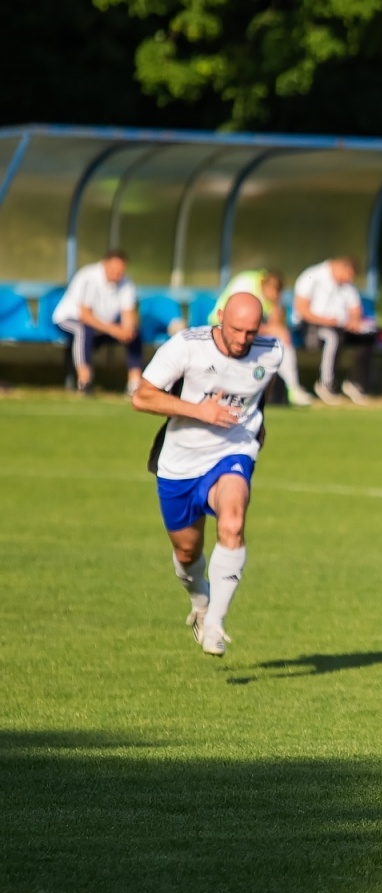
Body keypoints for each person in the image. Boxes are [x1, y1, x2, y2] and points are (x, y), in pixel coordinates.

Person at [130, 293, 284, 656]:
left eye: (251, 331)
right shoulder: (187, 346)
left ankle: (215, 622)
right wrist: (200, 411)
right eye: (236, 329)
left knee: (233, 523)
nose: (243, 339)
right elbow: (142, 397)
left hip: (233, 452)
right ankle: (201, 601)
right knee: (187, 552)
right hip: (180, 462)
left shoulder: (272, 352)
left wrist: (257, 427)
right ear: (220, 317)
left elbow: (257, 392)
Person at [210, 269, 313, 406]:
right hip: (222, 327)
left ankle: (293, 389)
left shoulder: (270, 291)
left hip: (249, 330)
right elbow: (238, 324)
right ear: (267, 287)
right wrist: (271, 329)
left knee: (281, 342)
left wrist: (276, 304)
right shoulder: (245, 286)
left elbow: (275, 324)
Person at [54, 250, 142, 396]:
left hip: (103, 325)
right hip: (70, 319)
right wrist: (113, 330)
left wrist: (127, 330)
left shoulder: (126, 281)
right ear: (104, 265)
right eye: (114, 271)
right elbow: (85, 316)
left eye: (120, 272)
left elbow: (128, 312)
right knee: (83, 330)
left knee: (134, 333)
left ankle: (135, 384)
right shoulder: (88, 277)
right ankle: (85, 381)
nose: (117, 275)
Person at [293, 255, 374, 406]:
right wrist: (327, 321)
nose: (349, 279)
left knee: (367, 336)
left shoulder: (346, 284)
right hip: (312, 326)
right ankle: (326, 384)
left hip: (340, 326)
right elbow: (302, 309)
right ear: (339, 268)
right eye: (348, 274)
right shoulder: (311, 276)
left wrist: (354, 321)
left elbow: (355, 308)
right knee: (333, 337)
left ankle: (355, 383)